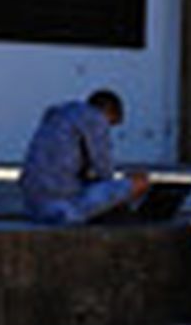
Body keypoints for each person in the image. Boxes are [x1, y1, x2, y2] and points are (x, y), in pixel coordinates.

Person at [17, 89, 148, 225]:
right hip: (62, 208)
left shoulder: (57, 115)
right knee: (139, 182)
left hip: (33, 206)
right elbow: (104, 170)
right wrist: (123, 186)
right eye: (110, 124)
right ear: (110, 113)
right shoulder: (95, 118)